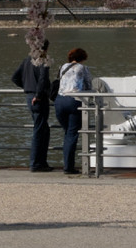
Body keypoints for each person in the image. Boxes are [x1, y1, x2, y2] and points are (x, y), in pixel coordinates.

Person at [11, 40, 54, 172]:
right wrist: (38, 94)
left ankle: (42, 162)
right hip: (38, 99)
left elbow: (15, 77)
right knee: (39, 130)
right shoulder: (44, 60)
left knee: (43, 130)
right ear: (45, 49)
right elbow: (43, 79)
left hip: (30, 97)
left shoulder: (27, 60)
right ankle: (35, 163)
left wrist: (27, 87)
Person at [56, 48, 93, 176]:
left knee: (67, 133)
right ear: (83, 57)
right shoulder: (82, 68)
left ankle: (67, 164)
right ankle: (68, 167)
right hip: (74, 101)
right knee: (71, 135)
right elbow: (89, 85)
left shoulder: (63, 67)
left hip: (59, 101)